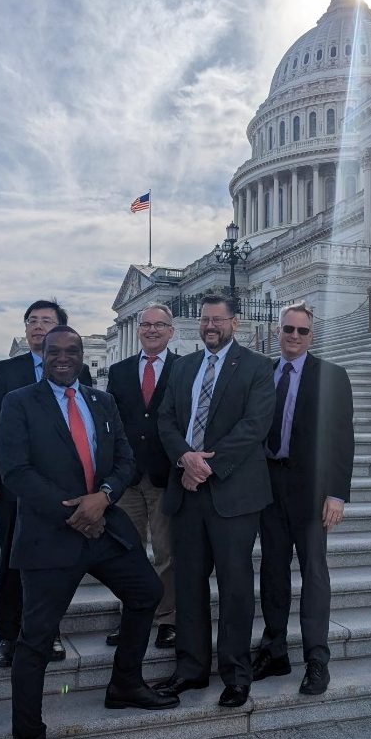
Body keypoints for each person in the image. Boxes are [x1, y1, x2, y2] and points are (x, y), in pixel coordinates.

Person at [0, 325, 178, 739]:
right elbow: (16, 471)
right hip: (51, 536)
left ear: (82, 356)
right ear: (43, 353)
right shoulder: (20, 402)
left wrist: (104, 497)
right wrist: (77, 510)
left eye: (71, 350)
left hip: (104, 527)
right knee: (34, 641)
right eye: (54, 350)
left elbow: (124, 458)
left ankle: (125, 683)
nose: (62, 357)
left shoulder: (100, 401)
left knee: (148, 593)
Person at [156, 294, 275, 708]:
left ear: (235, 323)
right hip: (186, 492)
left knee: (235, 587)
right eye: (205, 320)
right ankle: (189, 669)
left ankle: (236, 675)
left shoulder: (259, 367)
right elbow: (166, 419)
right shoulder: (183, 367)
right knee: (188, 586)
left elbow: (255, 425)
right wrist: (184, 458)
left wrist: (208, 464)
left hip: (234, 495)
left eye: (218, 320)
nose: (210, 326)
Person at [0, 299, 92, 667]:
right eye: (32, 321)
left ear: (61, 329)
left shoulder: (79, 371)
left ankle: (49, 629)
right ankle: (9, 634)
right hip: (16, 485)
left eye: (47, 321)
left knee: (52, 560)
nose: (37, 327)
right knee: (12, 557)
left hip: (62, 488)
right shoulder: (8, 369)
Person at [252, 302, 354, 695]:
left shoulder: (332, 376)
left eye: (302, 331)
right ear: (277, 331)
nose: (294, 337)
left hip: (312, 492)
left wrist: (337, 494)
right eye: (288, 330)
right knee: (273, 572)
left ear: (312, 335)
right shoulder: (263, 373)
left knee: (314, 575)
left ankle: (316, 659)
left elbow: (342, 439)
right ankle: (274, 650)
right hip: (268, 487)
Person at [106, 303, 179, 649]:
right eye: (146, 325)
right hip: (127, 477)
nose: (151, 330)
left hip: (166, 475)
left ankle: (167, 619)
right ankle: (131, 616)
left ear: (171, 331)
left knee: (167, 552)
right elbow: (110, 425)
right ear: (138, 330)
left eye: (159, 325)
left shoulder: (183, 368)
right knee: (127, 552)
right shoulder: (119, 372)